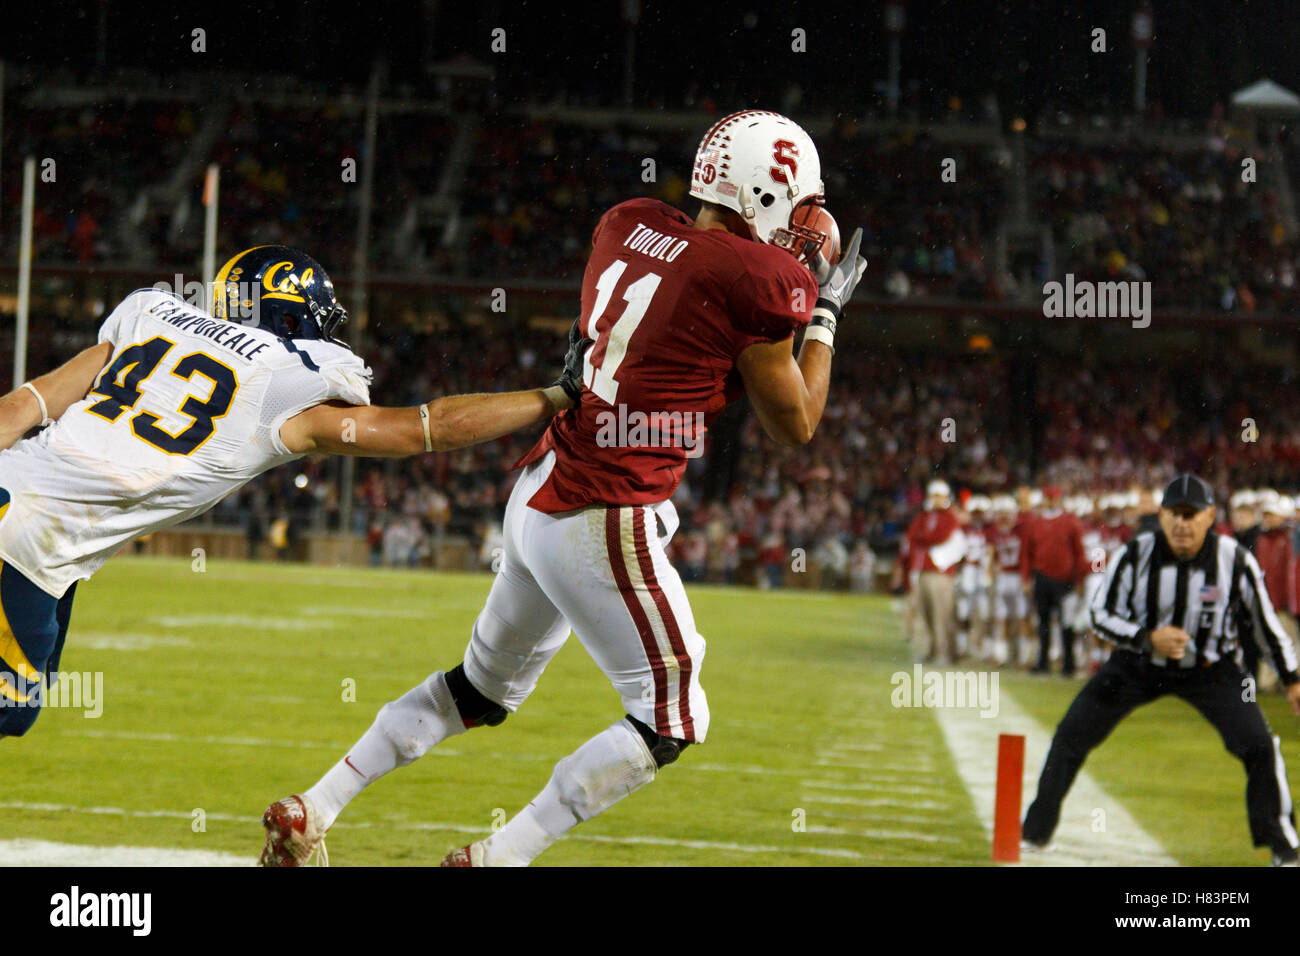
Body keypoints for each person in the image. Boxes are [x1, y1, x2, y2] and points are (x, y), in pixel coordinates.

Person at [259, 109, 869, 867]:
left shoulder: (630, 223)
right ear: (766, 194)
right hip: (604, 511)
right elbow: (797, 423)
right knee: (672, 719)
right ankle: (500, 857)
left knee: (477, 692)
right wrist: (826, 315)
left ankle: (313, 805)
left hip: (542, 487)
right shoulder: (759, 280)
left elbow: (691, 327)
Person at [0, 245, 579, 739]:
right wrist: (558, 395)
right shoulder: (287, 384)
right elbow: (421, 429)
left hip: (31, 523)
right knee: (10, 707)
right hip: (25, 539)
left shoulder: (151, 316)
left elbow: (24, 404)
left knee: (18, 708)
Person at [1022, 474, 1300, 865]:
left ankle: (1284, 848)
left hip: (1211, 668)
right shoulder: (1135, 553)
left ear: (1209, 517)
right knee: (1071, 734)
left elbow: (1264, 623)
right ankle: (1035, 831)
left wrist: (1291, 679)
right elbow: (1100, 614)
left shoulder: (1235, 560)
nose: (1182, 523)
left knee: (1259, 746)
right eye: (1174, 514)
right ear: (1162, 515)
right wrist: (1145, 636)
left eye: (1191, 514)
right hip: (1138, 664)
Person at [1021, 485, 1086, 676]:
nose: (1051, 501)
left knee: (1067, 622)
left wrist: (1080, 578)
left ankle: (1069, 663)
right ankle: (1043, 662)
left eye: (1053, 498)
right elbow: (1026, 553)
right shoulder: (1035, 522)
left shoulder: (1070, 521)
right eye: (1048, 498)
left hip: (1065, 579)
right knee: (1043, 622)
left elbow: (1079, 551)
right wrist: (1026, 578)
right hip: (1042, 577)